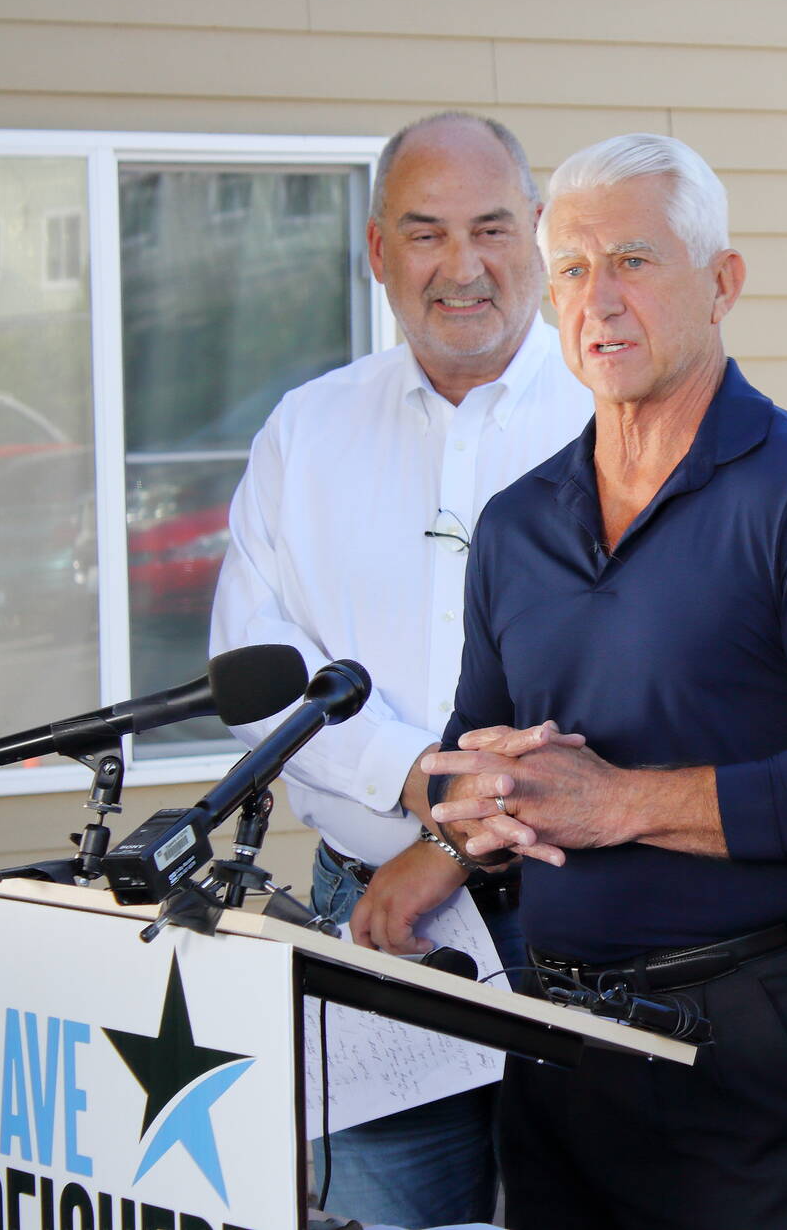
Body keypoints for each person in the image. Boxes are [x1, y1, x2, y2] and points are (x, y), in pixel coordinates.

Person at [414, 132, 787, 1230]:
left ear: (722, 283)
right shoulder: (518, 525)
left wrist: (618, 803)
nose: (597, 300)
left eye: (634, 260)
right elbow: (465, 753)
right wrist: (457, 802)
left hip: (748, 1054)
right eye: (569, 269)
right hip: (558, 1043)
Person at [209, 111, 589, 1227]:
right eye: (424, 235)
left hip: (589, 922)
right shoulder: (307, 430)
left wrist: (465, 825)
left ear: (535, 232)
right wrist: (424, 785)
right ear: (378, 253)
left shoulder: (619, 418)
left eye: (488, 228)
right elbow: (256, 666)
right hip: (374, 916)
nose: (460, 267)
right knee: (390, 1218)